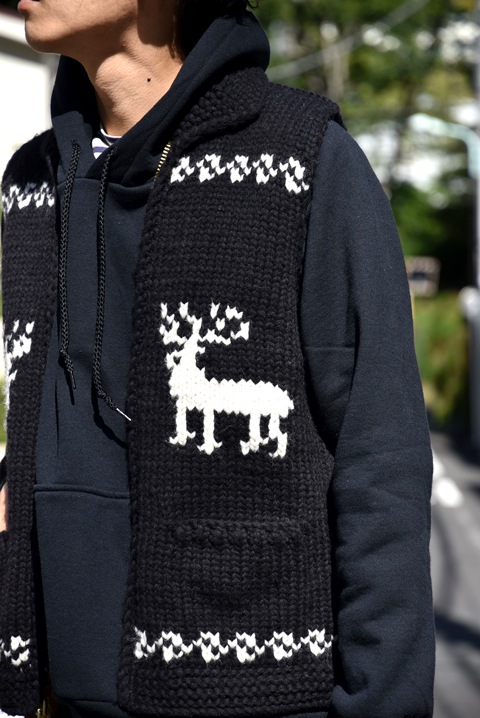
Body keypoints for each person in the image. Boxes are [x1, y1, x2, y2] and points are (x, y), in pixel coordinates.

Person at [0, 0, 435, 716]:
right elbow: (46, 422)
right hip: (63, 691)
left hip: (257, 691)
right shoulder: (31, 181)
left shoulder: (305, 159)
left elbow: (381, 459)